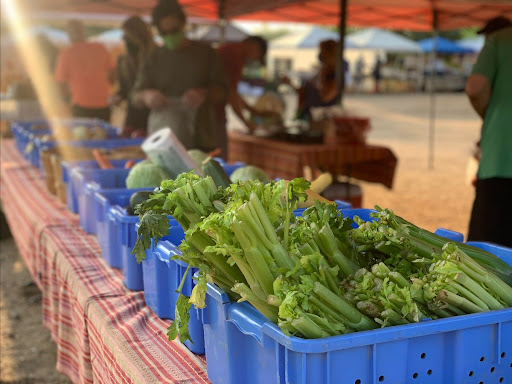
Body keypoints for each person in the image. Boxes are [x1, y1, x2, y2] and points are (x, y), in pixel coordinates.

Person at [132, 0, 228, 157]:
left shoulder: (206, 54)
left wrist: (203, 93)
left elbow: (224, 91)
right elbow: (134, 95)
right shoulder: (152, 57)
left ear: (183, 24)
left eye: (174, 30)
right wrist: (146, 95)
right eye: (165, 33)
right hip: (163, 138)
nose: (170, 36)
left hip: (201, 137)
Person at [465, 16, 512, 247]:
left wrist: (489, 115)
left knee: (486, 253)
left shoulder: (498, 41)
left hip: (500, 162)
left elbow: (475, 88)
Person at [54, 20, 115, 121]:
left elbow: (61, 84)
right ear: (83, 32)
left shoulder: (66, 54)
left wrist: (67, 101)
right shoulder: (100, 48)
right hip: (103, 104)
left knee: (82, 135)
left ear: (69, 35)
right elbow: (113, 74)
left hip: (80, 105)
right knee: (104, 135)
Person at [111, 16, 155, 138]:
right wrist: (118, 97)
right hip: (132, 119)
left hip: (152, 118)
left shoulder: (156, 57)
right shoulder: (123, 61)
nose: (124, 39)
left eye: (128, 36)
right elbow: (124, 90)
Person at [217, 35, 268, 134]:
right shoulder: (235, 55)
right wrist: (246, 123)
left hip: (211, 111)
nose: (254, 59)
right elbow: (231, 94)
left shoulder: (231, 50)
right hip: (212, 112)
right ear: (253, 46)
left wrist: (253, 111)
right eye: (257, 55)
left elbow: (233, 92)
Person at [297, 39, 339, 119]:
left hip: (321, 117)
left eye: (322, 50)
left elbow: (326, 96)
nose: (320, 54)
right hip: (312, 114)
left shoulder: (332, 73)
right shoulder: (325, 70)